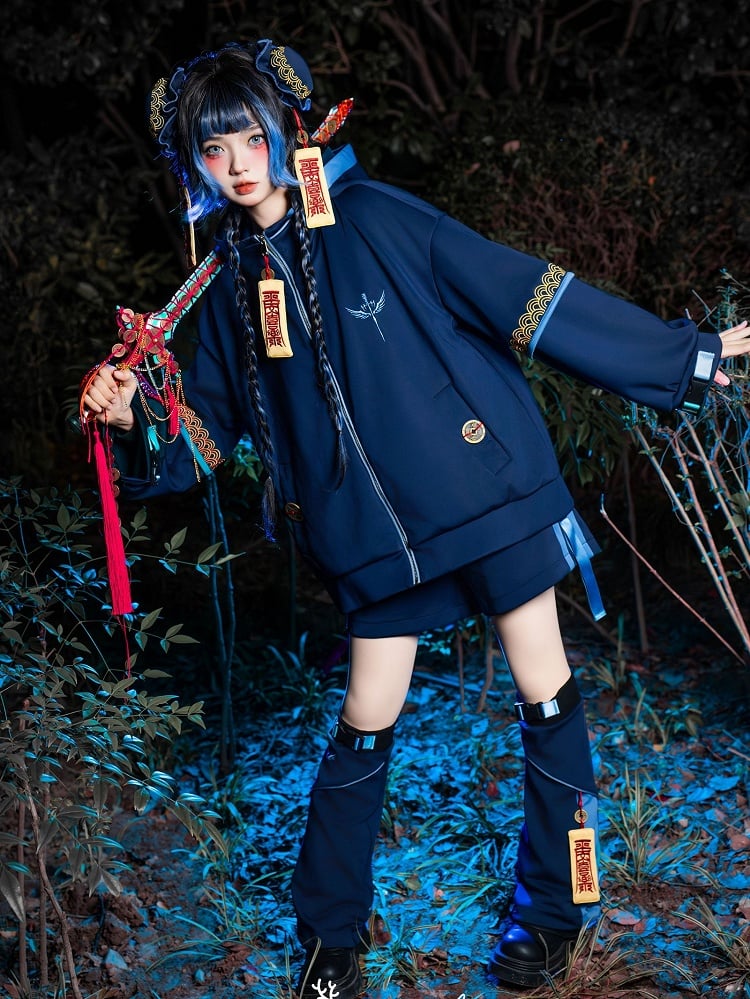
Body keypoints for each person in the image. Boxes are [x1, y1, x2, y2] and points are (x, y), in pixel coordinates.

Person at [80, 40, 750, 998]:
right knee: (365, 717)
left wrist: (680, 356)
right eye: (213, 149)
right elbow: (206, 436)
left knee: (544, 688)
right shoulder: (226, 289)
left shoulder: (377, 216)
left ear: (287, 130)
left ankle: (557, 916)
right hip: (367, 536)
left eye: (250, 138)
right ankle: (330, 947)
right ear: (193, 163)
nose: (237, 164)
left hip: (488, 492)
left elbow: (523, 294)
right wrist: (133, 420)